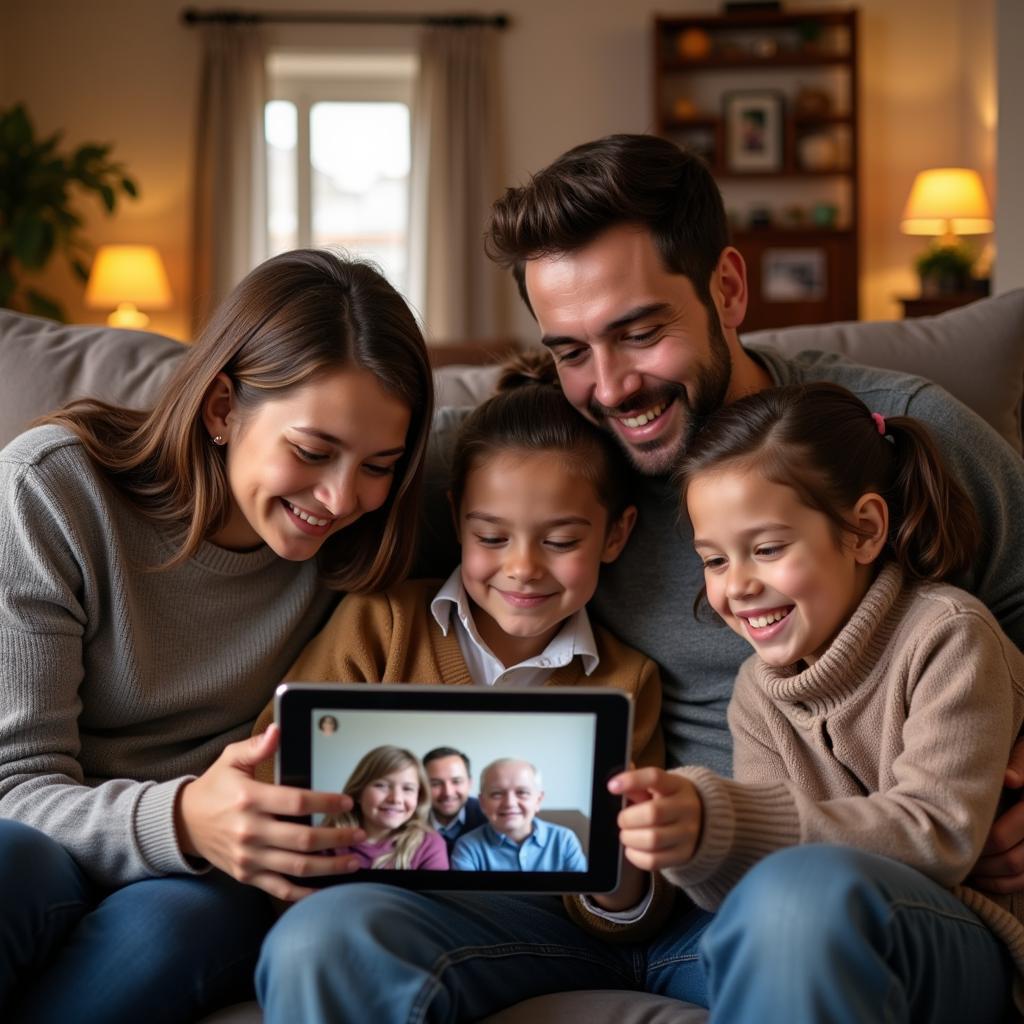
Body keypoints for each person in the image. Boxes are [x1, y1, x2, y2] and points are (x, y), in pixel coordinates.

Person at [255, 134, 1024, 1021]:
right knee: (327, 939)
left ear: (728, 291)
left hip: (791, 889)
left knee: (793, 905)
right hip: (561, 902)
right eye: (571, 351)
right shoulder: (504, 461)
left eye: (640, 332)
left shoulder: (880, 442)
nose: (611, 386)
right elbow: (300, 488)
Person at [0, 248, 434, 1023]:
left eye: (380, 465)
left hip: (212, 878)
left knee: (175, 925)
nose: (341, 498)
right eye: (312, 451)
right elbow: (14, 787)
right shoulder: (54, 491)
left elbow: (534, 454)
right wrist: (182, 816)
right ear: (222, 408)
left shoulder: (370, 542)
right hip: (59, 835)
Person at [611, 382, 1024, 1021]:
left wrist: (733, 822)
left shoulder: (948, 635)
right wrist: (698, 843)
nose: (738, 585)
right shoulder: (757, 692)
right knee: (775, 903)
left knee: (796, 897)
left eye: (768, 549)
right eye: (715, 560)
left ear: (863, 530)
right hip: (834, 934)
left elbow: (941, 835)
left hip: (974, 939)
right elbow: (756, 884)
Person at [452, 759, 587, 873]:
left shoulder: (564, 840)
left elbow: (582, 897)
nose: (510, 803)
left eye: (522, 792)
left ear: (538, 800)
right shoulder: (467, 847)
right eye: (497, 794)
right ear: (482, 803)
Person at [327, 745, 448, 870]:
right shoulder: (327, 840)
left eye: (407, 789)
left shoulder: (430, 845)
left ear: (419, 797)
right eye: (381, 786)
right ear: (358, 793)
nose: (396, 799)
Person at [423, 746, 488, 853]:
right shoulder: (409, 820)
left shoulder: (489, 817)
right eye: (435, 784)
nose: (448, 793)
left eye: (456, 781)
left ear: (469, 783)